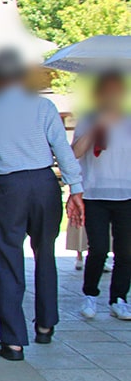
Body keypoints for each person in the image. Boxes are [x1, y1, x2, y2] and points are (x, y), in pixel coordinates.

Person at [0, 48, 85, 361]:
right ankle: (46, 325)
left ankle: (13, 342)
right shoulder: (44, 107)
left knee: (8, 262)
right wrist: (76, 188)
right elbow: (62, 149)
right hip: (44, 184)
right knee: (45, 253)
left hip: (7, 188)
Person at [73, 73, 131, 320]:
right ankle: (90, 294)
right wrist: (98, 126)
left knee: (126, 251)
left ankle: (119, 298)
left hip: (126, 194)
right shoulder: (89, 119)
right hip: (95, 193)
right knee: (98, 249)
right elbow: (74, 152)